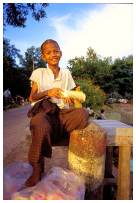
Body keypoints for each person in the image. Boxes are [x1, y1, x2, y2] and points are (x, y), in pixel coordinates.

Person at [25, 39, 89, 187]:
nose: (53, 54)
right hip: (45, 112)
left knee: (83, 114)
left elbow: (72, 98)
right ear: (43, 57)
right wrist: (48, 92)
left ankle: (54, 131)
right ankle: (37, 168)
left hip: (61, 114)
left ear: (61, 53)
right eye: (49, 52)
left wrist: (72, 99)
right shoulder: (39, 72)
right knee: (39, 123)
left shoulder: (66, 73)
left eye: (56, 51)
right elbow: (32, 97)